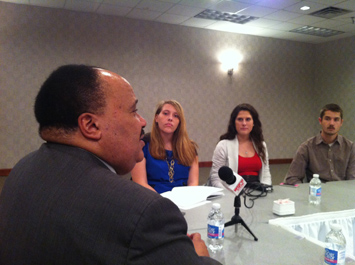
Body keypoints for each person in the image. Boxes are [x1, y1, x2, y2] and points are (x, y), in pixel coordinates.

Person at [0, 65, 220, 265]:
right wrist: (200, 256)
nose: (142, 122)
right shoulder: (144, 211)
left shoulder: (22, 169)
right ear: (91, 125)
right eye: (134, 111)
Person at [131, 100, 199, 193]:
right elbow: (140, 182)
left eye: (176, 116)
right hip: (152, 199)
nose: (170, 118)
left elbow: (193, 182)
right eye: (166, 113)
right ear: (156, 118)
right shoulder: (143, 144)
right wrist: (163, 203)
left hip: (183, 200)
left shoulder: (190, 147)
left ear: (179, 122)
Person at [284, 103, 355, 184]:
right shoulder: (307, 147)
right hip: (316, 193)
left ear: (341, 122)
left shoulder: (350, 147)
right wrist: (306, 192)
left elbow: (352, 180)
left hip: (342, 194)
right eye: (327, 119)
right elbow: (292, 178)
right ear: (320, 121)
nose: (332, 123)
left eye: (336, 119)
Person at [207, 103, 272, 189]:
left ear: (254, 123)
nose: (244, 123)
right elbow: (216, 178)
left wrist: (265, 190)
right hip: (231, 193)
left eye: (248, 119)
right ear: (234, 123)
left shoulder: (261, 145)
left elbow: (266, 174)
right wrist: (230, 193)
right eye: (240, 119)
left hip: (257, 192)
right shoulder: (223, 145)